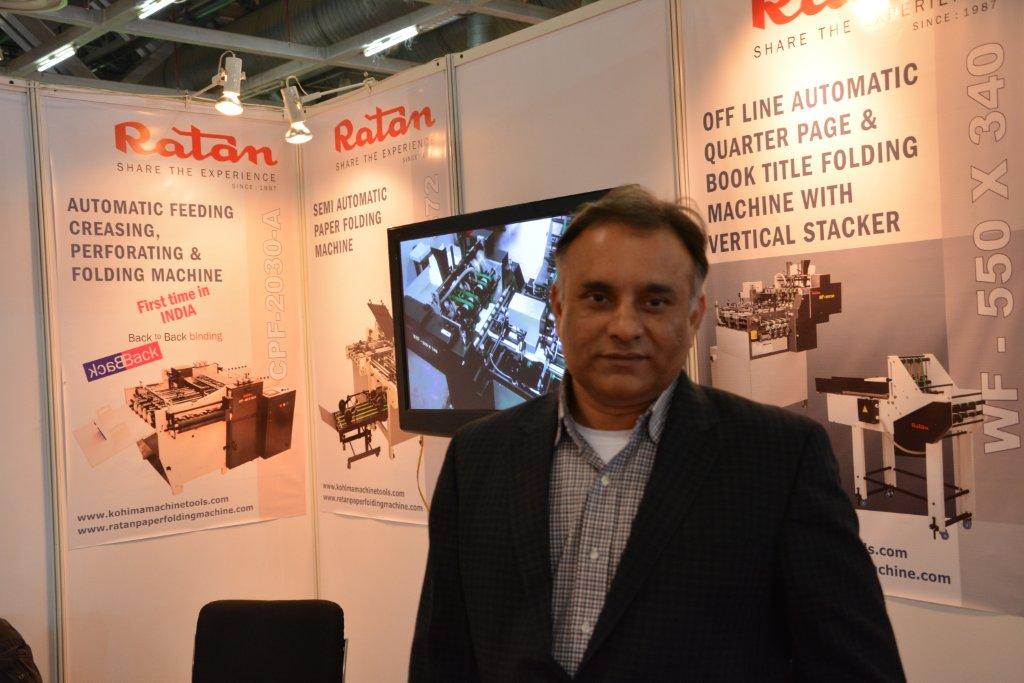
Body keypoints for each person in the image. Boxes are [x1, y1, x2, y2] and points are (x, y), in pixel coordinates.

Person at [410, 185, 904, 681]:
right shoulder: (477, 458)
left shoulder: (780, 459)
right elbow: (442, 658)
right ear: (558, 306)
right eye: (598, 297)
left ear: (693, 315)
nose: (625, 327)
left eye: (654, 301)